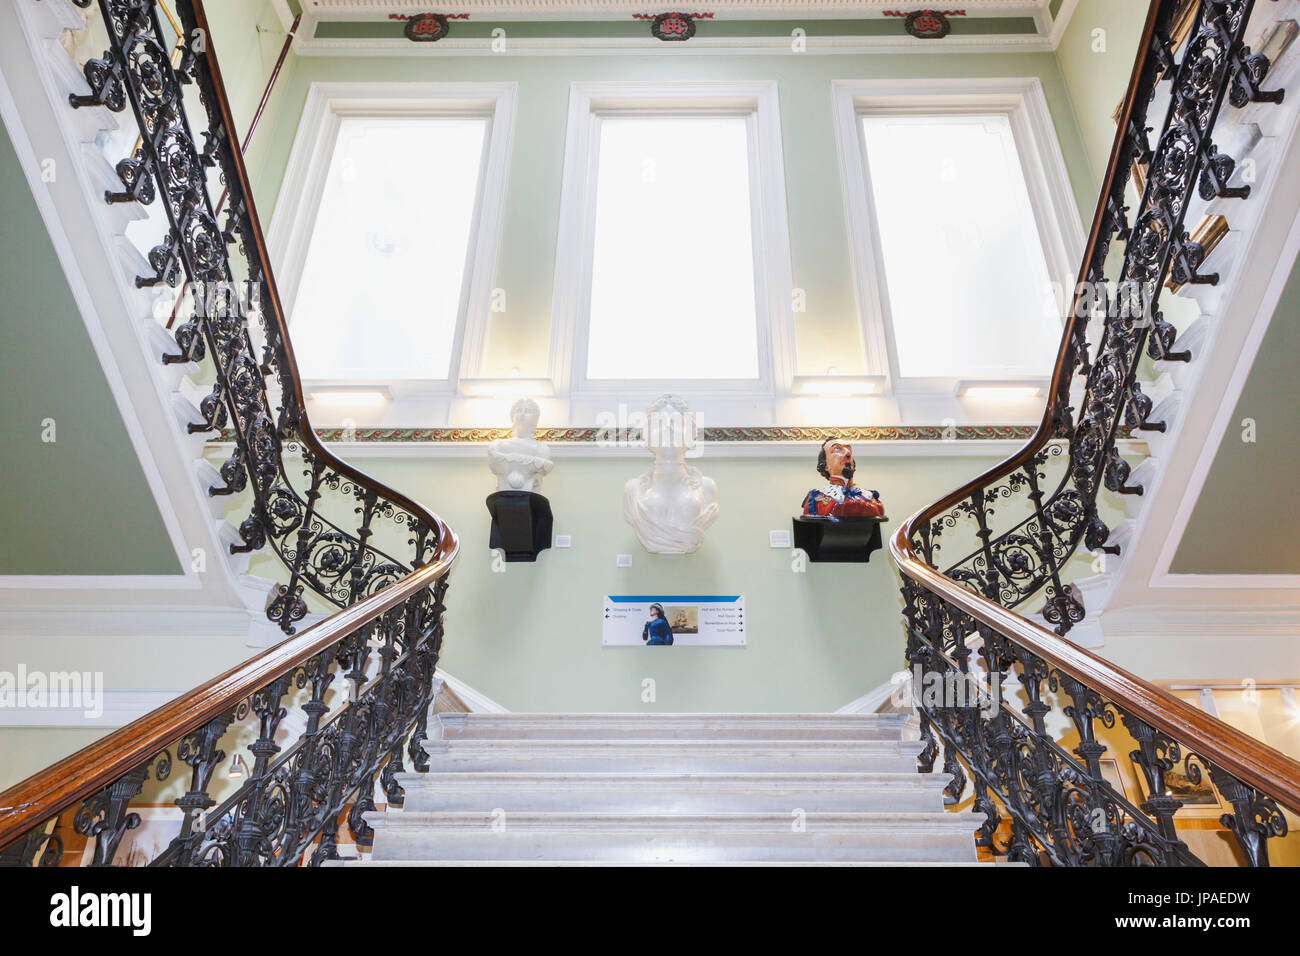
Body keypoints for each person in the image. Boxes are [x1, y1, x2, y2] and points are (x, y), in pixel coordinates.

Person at [801, 437, 884, 518]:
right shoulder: (816, 500)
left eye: (849, 450)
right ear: (826, 465)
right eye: (837, 449)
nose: (848, 454)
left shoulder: (868, 497)